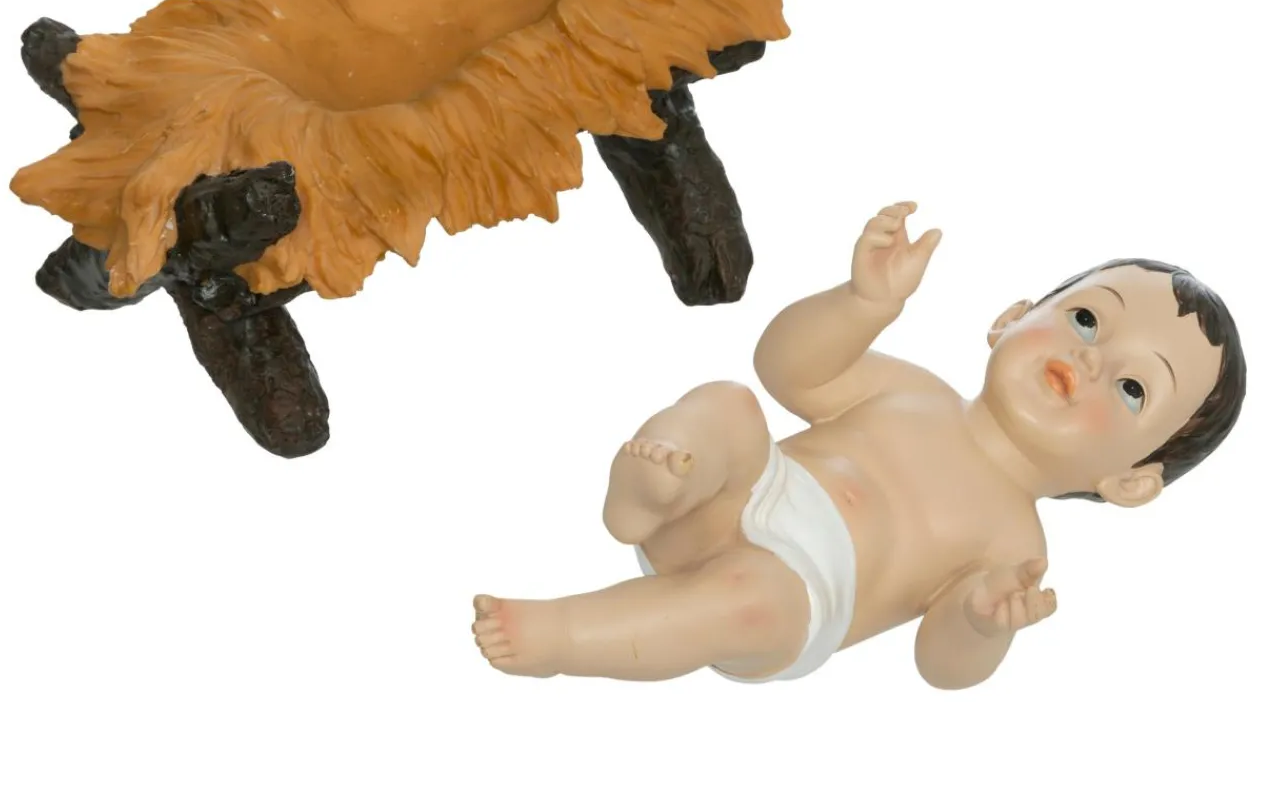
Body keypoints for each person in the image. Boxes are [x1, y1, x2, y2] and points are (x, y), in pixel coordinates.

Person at [471, 202, 1245, 687]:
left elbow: (941, 667)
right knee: (730, 408)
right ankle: (649, 496)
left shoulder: (1015, 543)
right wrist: (862, 305)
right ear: (1011, 319)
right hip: (745, 493)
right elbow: (786, 369)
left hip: (801, 590)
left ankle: (565, 636)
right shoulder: (914, 390)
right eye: (1086, 319)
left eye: (1133, 388)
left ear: (1130, 481)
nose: (1089, 359)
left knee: (750, 599)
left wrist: (981, 621)